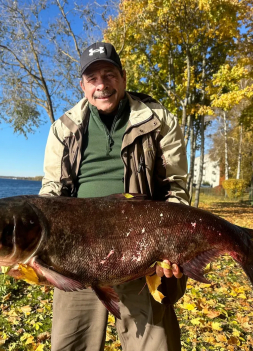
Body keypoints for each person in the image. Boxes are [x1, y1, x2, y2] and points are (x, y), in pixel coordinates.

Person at [39, 42, 189, 351]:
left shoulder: (158, 121)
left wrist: (172, 247)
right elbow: (50, 194)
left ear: (122, 77)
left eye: (109, 74)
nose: (101, 85)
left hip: (144, 253)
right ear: (82, 85)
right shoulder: (63, 130)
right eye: (92, 78)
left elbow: (176, 188)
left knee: (157, 346)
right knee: (68, 344)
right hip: (75, 258)